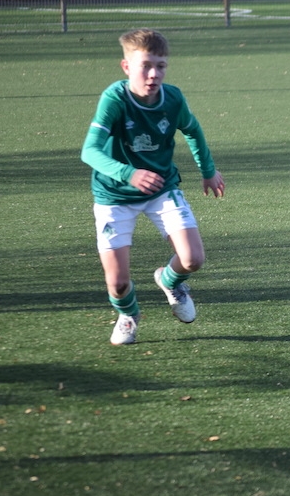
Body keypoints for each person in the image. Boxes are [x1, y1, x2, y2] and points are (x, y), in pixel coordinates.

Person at [81, 28, 225, 345]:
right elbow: (89, 151)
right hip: (114, 195)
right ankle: (128, 315)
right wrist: (128, 174)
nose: (153, 74)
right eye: (145, 65)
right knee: (117, 283)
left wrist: (208, 171)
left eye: (160, 66)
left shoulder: (172, 98)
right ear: (126, 66)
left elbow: (192, 129)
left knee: (193, 259)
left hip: (162, 188)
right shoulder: (115, 99)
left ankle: (170, 281)